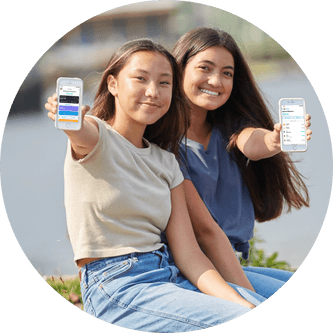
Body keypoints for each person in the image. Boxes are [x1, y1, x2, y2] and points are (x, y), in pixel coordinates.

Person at [45, 39, 266, 332]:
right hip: (118, 285)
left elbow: (189, 255)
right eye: (140, 79)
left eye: (164, 83)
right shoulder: (98, 138)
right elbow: (80, 132)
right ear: (113, 84)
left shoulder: (165, 161)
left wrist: (243, 303)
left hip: (168, 275)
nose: (153, 92)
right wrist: (70, 122)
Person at [166, 27, 313, 298]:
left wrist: (273, 141)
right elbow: (205, 233)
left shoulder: (228, 126)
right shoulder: (167, 143)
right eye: (205, 68)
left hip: (230, 263)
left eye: (227, 73)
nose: (216, 81)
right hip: (195, 269)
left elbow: (251, 142)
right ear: (179, 69)